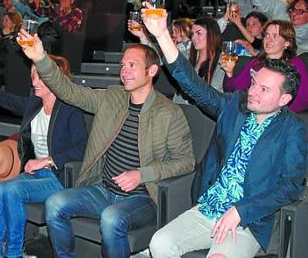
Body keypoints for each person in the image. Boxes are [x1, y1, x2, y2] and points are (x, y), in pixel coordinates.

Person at [140, 10, 306, 258]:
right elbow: (194, 86)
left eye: (264, 89)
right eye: (253, 84)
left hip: (248, 220)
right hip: (209, 207)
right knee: (160, 244)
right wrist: (162, 35)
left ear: (284, 99)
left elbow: (291, 186)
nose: (253, 92)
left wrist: (242, 210)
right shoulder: (234, 107)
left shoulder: (292, 128)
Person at [16, 31, 195, 258]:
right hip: (104, 189)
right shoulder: (112, 97)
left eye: (132, 65)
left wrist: (142, 174)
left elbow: (186, 162)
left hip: (143, 198)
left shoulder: (169, 113)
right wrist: (41, 59)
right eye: (122, 65)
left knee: (111, 218)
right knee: (55, 203)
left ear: (151, 71)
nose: (124, 71)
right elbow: (69, 91)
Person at [0, 54, 88, 258]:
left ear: (55, 78)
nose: (34, 82)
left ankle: (14, 253)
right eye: (33, 76)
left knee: (12, 191)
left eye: (40, 76)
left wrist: (46, 160)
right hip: (35, 175)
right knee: (0, 190)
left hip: (59, 177)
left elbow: (82, 147)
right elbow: (2, 97)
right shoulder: (34, 104)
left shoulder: (70, 109)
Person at [221, 20, 308, 113]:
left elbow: (304, 100)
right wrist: (229, 73)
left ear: (287, 43)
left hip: (280, 117)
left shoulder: (295, 64)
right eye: (267, 35)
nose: (269, 40)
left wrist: (272, 110)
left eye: (275, 36)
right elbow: (234, 90)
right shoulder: (257, 62)